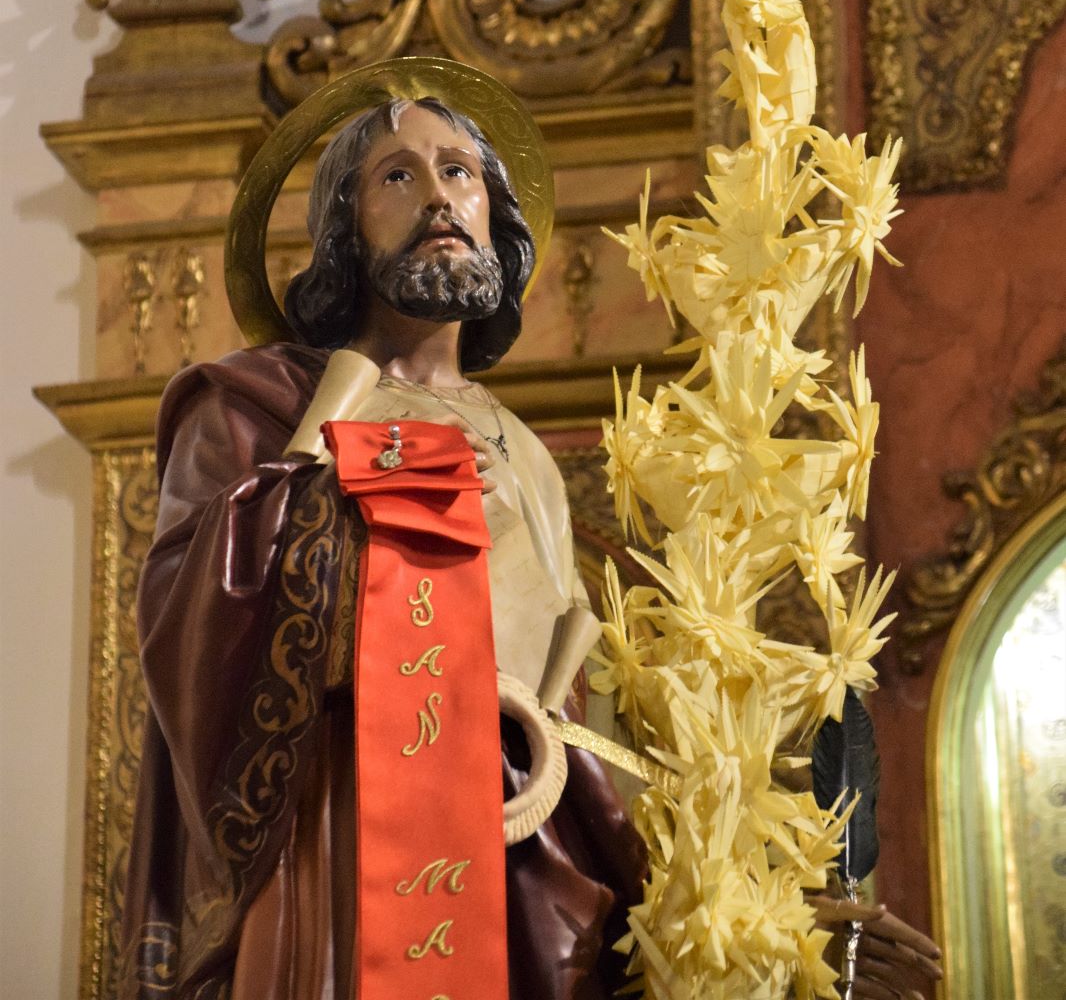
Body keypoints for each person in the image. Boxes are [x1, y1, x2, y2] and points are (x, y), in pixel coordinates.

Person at [120, 74, 941, 1000]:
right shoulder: (257, 405)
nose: (437, 195)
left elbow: (571, 710)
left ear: (494, 216)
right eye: (396, 176)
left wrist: (749, 910)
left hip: (518, 840)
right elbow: (189, 627)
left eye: (461, 172)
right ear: (343, 231)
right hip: (343, 842)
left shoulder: (528, 453)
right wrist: (322, 495)